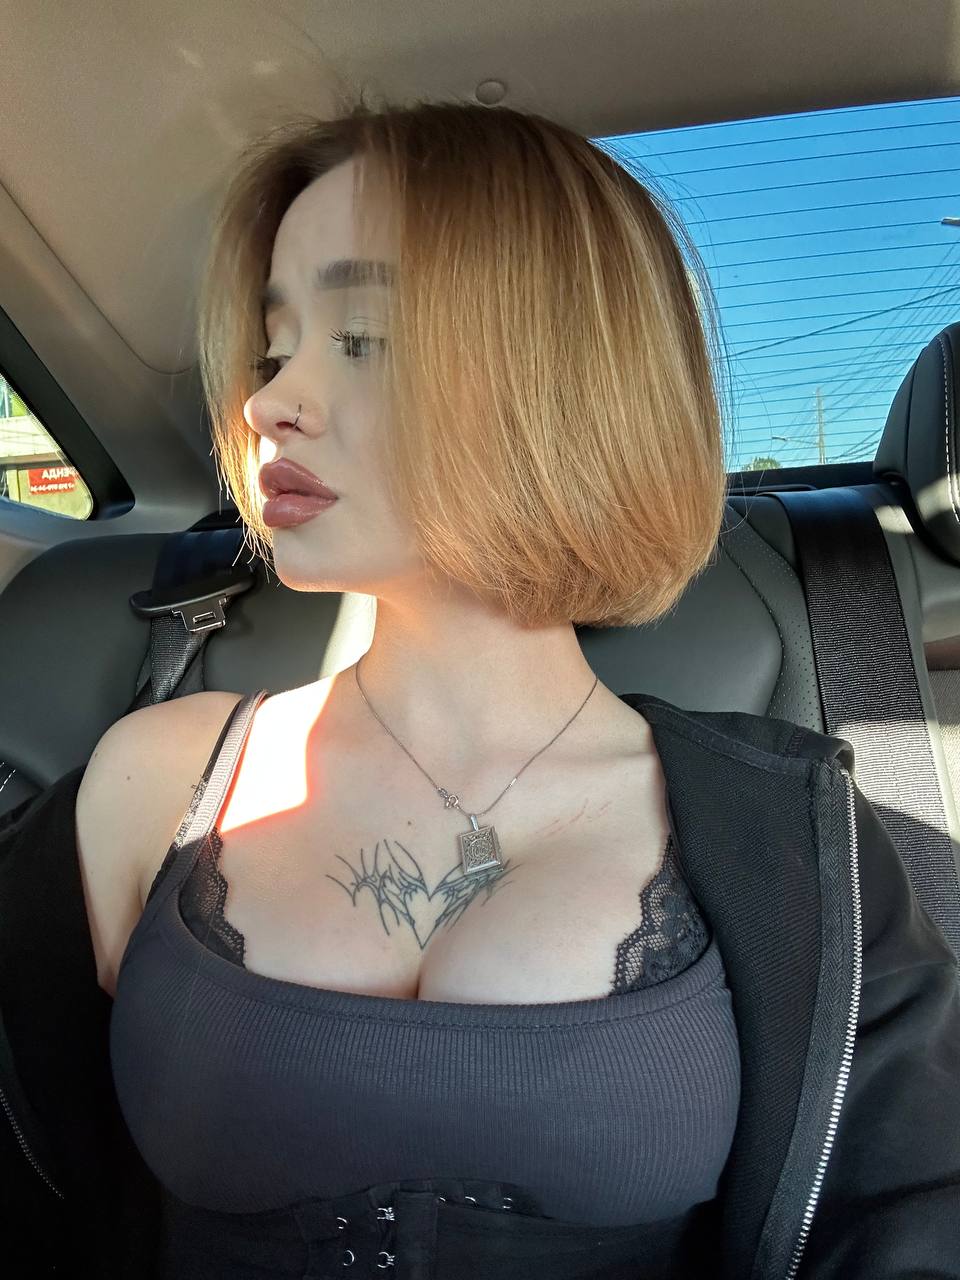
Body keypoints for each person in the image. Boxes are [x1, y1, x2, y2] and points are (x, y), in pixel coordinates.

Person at [2, 95, 959, 1279]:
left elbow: (907, 1211)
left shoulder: (794, 832)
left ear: (565, 379)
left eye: (361, 338)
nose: (265, 403)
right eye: (274, 348)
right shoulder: (156, 777)